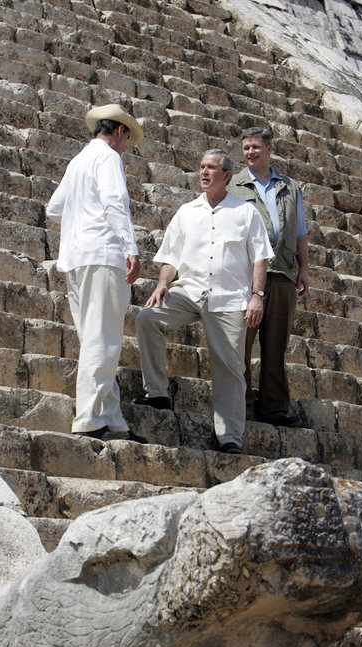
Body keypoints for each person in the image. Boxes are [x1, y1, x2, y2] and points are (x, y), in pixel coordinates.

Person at [134, 149, 274, 454]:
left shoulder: (246, 212)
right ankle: (156, 392)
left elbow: (260, 258)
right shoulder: (187, 211)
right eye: (201, 167)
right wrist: (161, 285)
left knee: (230, 367)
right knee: (147, 317)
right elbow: (170, 256)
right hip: (190, 290)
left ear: (226, 176)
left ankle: (230, 438)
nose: (204, 173)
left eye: (211, 168)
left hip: (229, 297)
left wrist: (257, 296)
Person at [46, 103, 147, 443]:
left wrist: (80, 220)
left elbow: (54, 208)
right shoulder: (107, 157)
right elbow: (115, 201)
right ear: (119, 131)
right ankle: (89, 418)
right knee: (103, 340)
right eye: (126, 138)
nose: (125, 146)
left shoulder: (77, 161)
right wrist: (130, 247)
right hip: (103, 256)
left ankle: (113, 419)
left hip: (76, 258)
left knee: (96, 339)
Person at [228, 126, 309, 427]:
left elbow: (300, 231)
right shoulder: (233, 185)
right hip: (246, 275)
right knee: (241, 343)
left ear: (269, 149)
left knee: (276, 345)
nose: (250, 152)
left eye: (255, 147)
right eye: (246, 147)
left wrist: (305, 268)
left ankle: (274, 408)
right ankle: (243, 405)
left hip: (285, 272)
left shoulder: (290, 187)